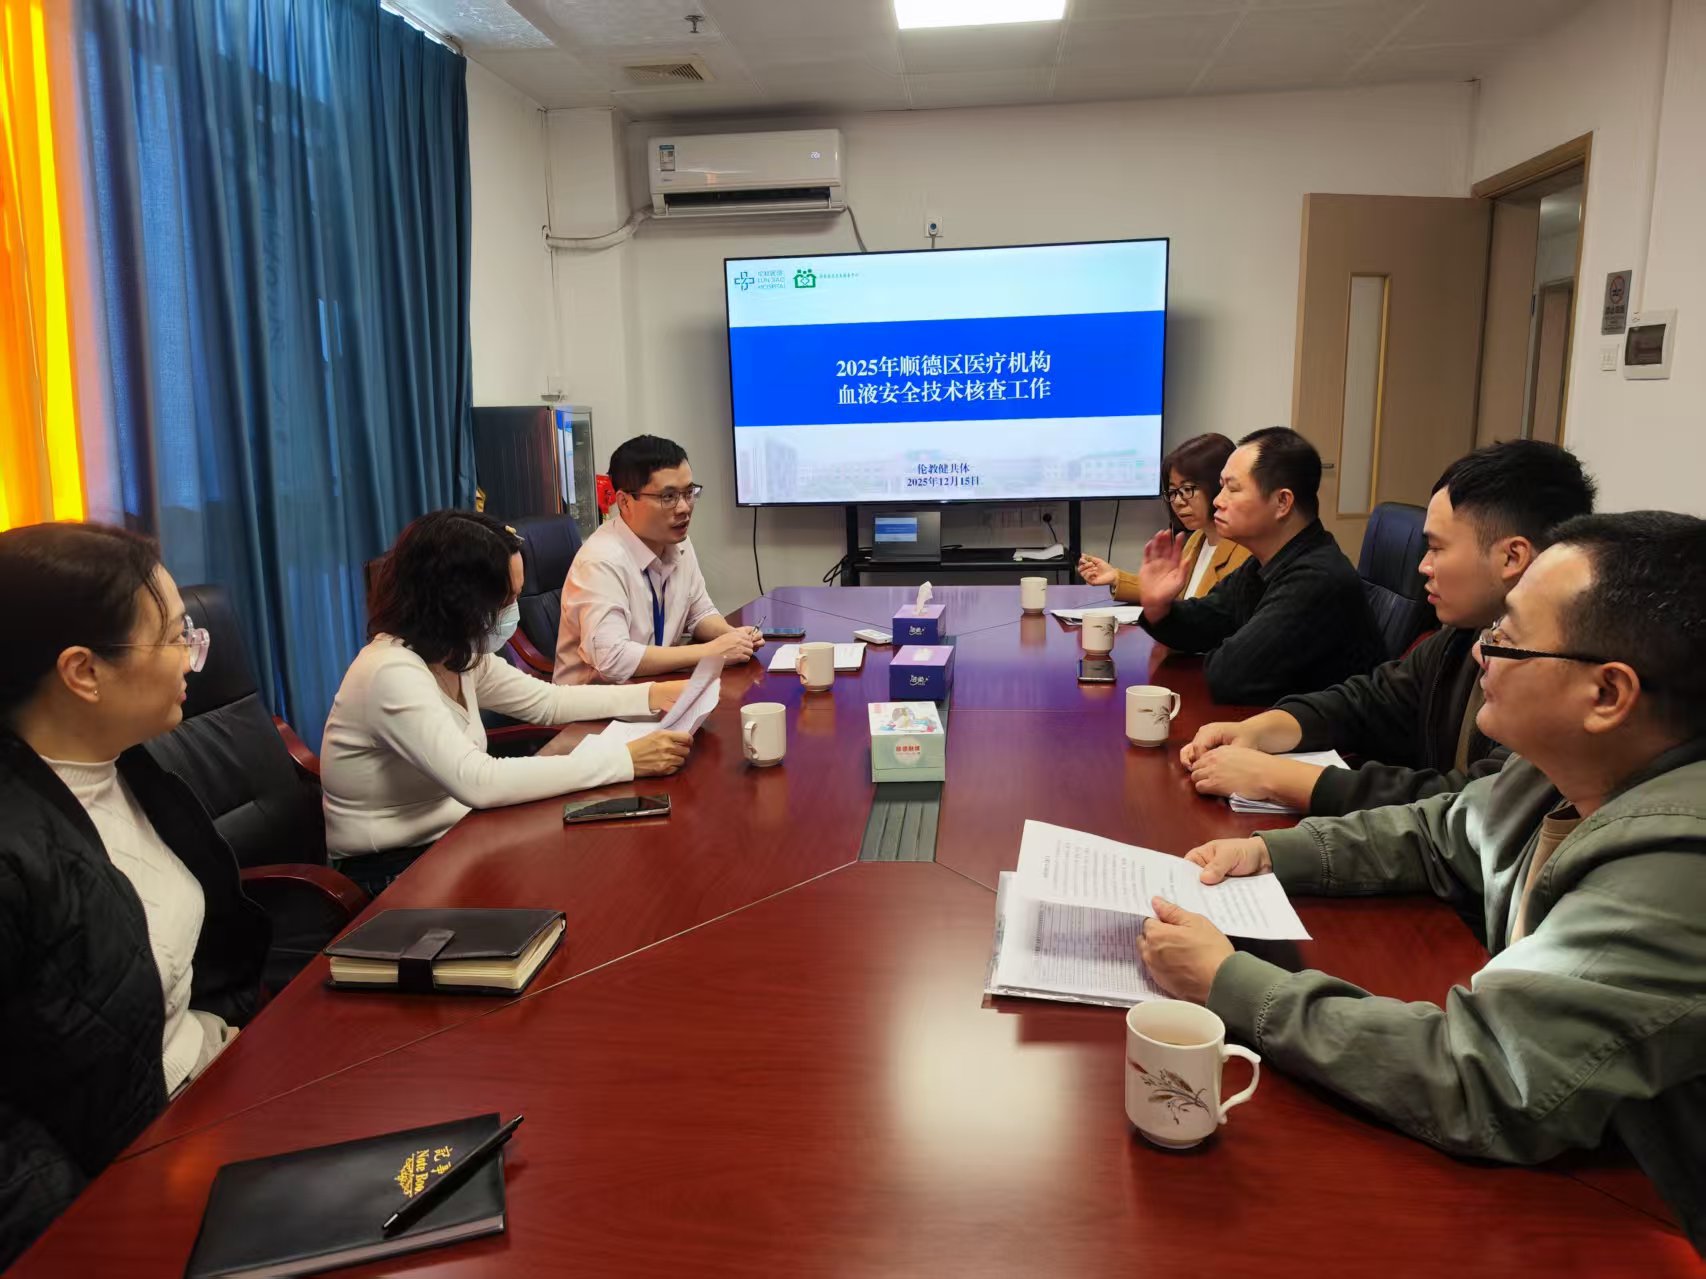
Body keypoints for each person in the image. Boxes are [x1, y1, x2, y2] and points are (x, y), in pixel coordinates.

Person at [1139, 511, 1706, 1254]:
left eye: (1508, 637)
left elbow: (1486, 1078)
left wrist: (1230, 983)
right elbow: (1441, 831)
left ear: (1607, 694)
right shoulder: (1560, 766)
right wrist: (1272, 853)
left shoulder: (1679, 866)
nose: (1479, 652)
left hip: (1635, 1223)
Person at [0, 523, 268, 1267]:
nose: (193, 657)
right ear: (83, 671)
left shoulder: (128, 769)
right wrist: (105, 1227)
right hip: (130, 1186)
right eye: (177, 636)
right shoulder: (14, 849)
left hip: (216, 1086)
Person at [1181, 440, 1596, 815]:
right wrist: (1258, 730)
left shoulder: (1561, 678)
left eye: (1436, 548)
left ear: (1512, 557)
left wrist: (1278, 778)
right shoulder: (1464, 636)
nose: (1423, 566)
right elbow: (1372, 699)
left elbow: (1471, 805)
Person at [321, 511, 694, 894]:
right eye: (505, 599)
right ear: (456, 602)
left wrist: (651, 695)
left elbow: (547, 702)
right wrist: (625, 761)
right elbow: (478, 781)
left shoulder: (454, 653)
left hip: (459, 833)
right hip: (392, 871)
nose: (513, 612)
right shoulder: (390, 672)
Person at [1135, 426, 1382, 703]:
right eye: (1221, 486)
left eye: (1232, 489)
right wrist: (1159, 608)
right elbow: (1208, 619)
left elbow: (1228, 675)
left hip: (1327, 730)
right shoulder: (1265, 562)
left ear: (1282, 502)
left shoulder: (1316, 579)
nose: (1218, 501)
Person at [555, 435, 763, 685]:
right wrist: (713, 651)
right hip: (597, 703)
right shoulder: (600, 561)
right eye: (668, 497)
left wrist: (734, 638)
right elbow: (613, 659)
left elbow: (699, 613)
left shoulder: (679, 543)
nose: (684, 508)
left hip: (654, 689)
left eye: (689, 493)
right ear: (624, 502)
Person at [1077, 433, 1250, 601]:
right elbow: (1171, 593)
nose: (1178, 501)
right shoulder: (1198, 538)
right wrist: (1115, 577)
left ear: (1218, 485)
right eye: (1173, 491)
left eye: (1187, 489)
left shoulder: (1245, 551)